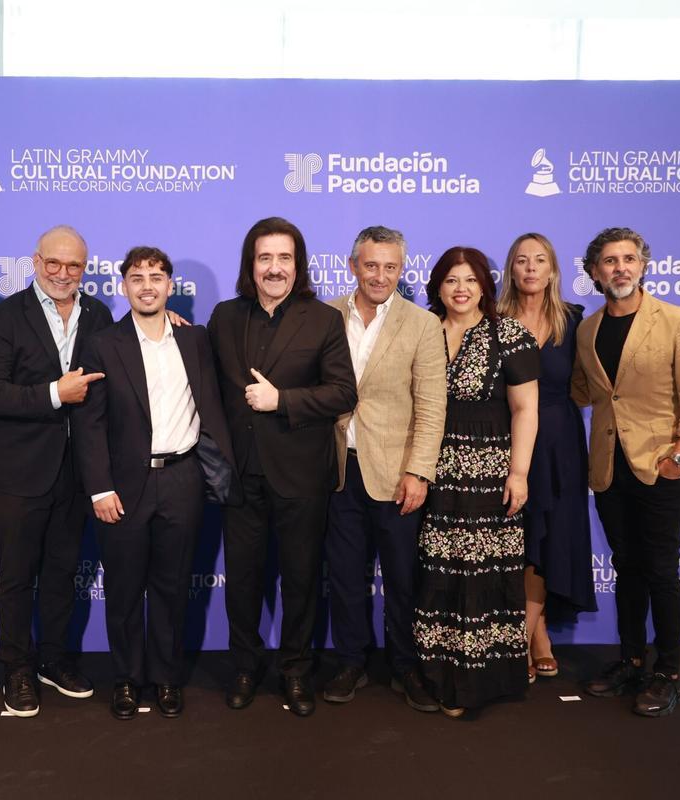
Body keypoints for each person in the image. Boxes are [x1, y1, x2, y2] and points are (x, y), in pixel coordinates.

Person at [73, 246, 239, 720]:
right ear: (124, 286)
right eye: (137, 278)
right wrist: (100, 488)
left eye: (156, 277)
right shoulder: (104, 344)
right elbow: (89, 423)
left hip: (183, 478)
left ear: (170, 285)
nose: (147, 286)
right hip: (123, 484)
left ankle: (167, 677)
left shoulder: (195, 339)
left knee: (172, 586)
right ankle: (127, 679)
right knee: (124, 588)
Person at [208, 217, 357, 717]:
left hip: (300, 474)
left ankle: (296, 671)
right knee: (243, 581)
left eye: (284, 258)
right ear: (250, 264)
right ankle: (245, 667)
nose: (275, 268)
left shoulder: (323, 319)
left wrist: (283, 401)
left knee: (300, 580)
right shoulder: (225, 316)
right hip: (240, 474)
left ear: (299, 264)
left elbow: (343, 392)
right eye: (265, 257)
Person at [572, 227, 680, 717]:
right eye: (610, 261)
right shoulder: (588, 330)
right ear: (595, 272)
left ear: (643, 266)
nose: (620, 268)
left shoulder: (676, 320)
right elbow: (583, 391)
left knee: (660, 568)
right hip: (609, 468)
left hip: (661, 465)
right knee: (627, 567)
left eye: (629, 259)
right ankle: (632, 661)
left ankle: (667, 672)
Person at [0, 225, 112, 717]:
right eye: (53, 263)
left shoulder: (99, 314)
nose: (62, 273)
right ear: (35, 262)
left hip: (78, 472)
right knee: (16, 576)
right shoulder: (6, 317)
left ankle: (54, 660)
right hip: (21, 471)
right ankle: (16, 667)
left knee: (61, 572)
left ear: (84, 268)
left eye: (73, 265)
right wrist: (56, 393)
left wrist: (170, 321)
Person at [324, 226, 446, 712]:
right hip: (336, 469)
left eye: (390, 267)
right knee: (344, 575)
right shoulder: (325, 315)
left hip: (397, 473)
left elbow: (432, 406)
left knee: (402, 577)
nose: (380, 276)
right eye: (371, 265)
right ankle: (350, 660)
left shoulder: (422, 324)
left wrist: (419, 471)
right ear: (353, 265)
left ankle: (405, 666)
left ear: (401, 269)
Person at [414, 246, 539, 718]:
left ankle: (478, 683)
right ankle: (436, 677)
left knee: (481, 576)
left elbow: (525, 410)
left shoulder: (509, 335)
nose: (461, 289)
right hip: (431, 473)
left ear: (485, 285)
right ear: (438, 287)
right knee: (438, 574)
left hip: (489, 477)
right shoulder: (423, 329)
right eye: (451, 280)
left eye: (470, 279)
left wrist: (519, 473)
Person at [497, 233, 597, 684]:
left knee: (550, 538)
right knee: (518, 541)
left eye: (540, 260)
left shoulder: (573, 320)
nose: (531, 268)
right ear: (511, 269)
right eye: (522, 260)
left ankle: (525, 639)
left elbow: (591, 384)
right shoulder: (493, 320)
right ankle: (536, 637)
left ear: (553, 269)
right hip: (508, 441)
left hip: (559, 444)